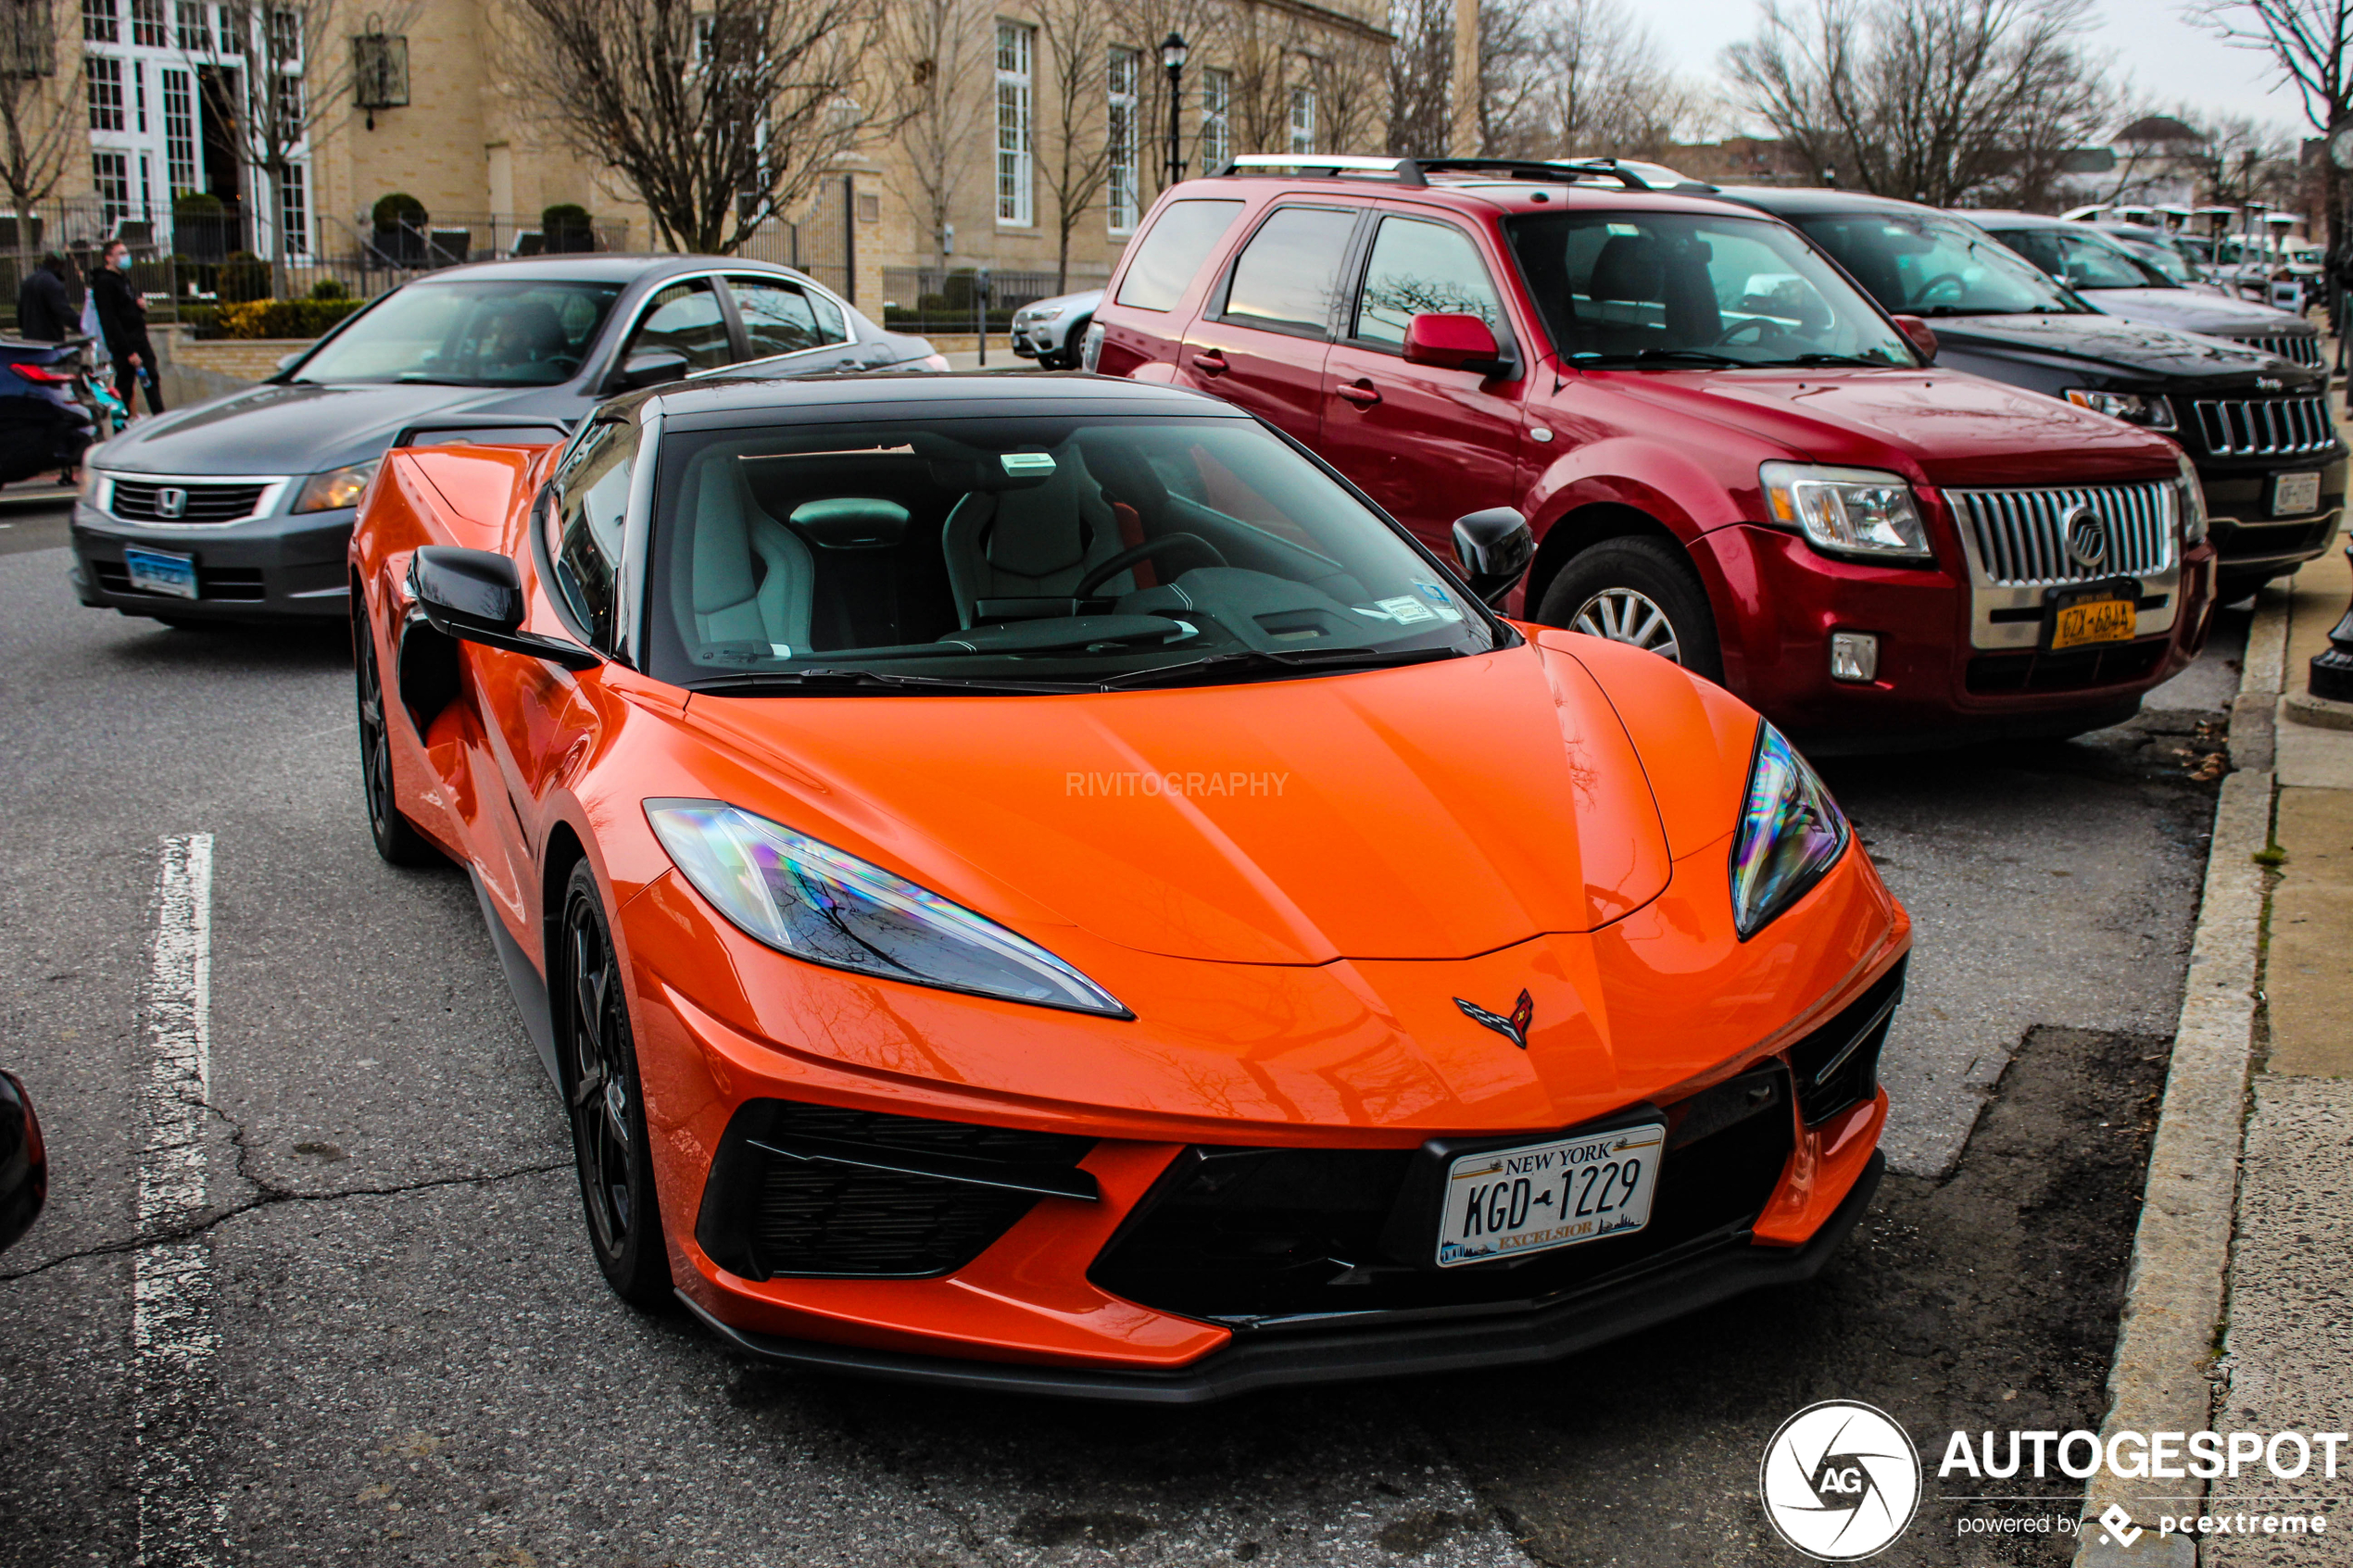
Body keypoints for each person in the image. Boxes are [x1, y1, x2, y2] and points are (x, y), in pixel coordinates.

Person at [91, 239, 163, 418]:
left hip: (139, 339)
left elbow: (128, 307)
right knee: (124, 386)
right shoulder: (104, 283)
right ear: (108, 258)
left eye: (126, 253)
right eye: (120, 253)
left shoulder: (123, 279)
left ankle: (160, 417)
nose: (126, 257)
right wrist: (128, 351)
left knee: (151, 378)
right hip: (125, 344)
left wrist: (140, 306)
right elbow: (110, 320)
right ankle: (119, 424)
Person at [14, 251, 72, 344]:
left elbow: (20, 311)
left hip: (29, 339)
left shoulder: (27, 281)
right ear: (59, 265)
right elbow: (63, 312)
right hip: (49, 339)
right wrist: (82, 325)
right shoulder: (53, 284)